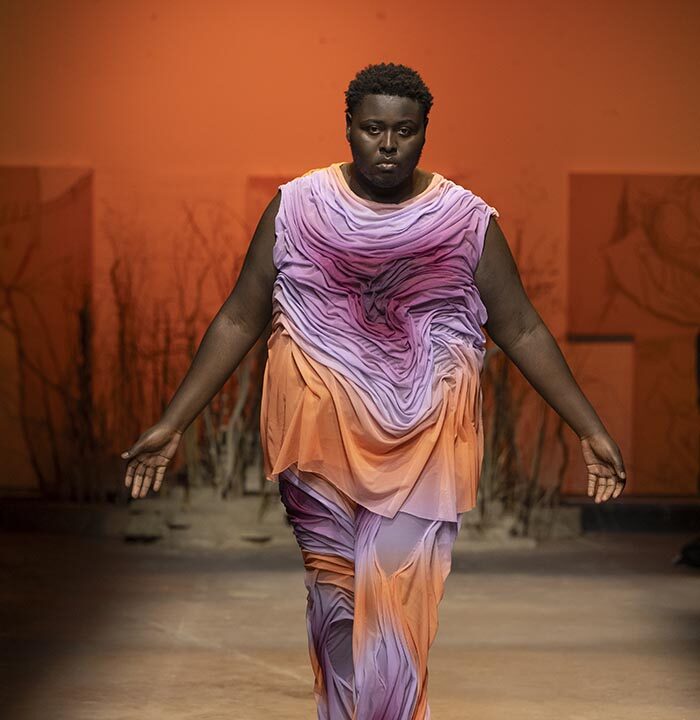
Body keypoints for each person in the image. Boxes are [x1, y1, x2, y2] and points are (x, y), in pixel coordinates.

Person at [121, 62, 627, 719]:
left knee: (397, 601)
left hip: (424, 439)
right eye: (372, 129)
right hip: (317, 436)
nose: (387, 145)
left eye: (404, 130)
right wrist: (173, 422)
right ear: (349, 127)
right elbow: (241, 317)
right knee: (335, 599)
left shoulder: (463, 220)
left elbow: (522, 328)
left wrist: (589, 427)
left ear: (425, 132)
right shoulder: (299, 207)